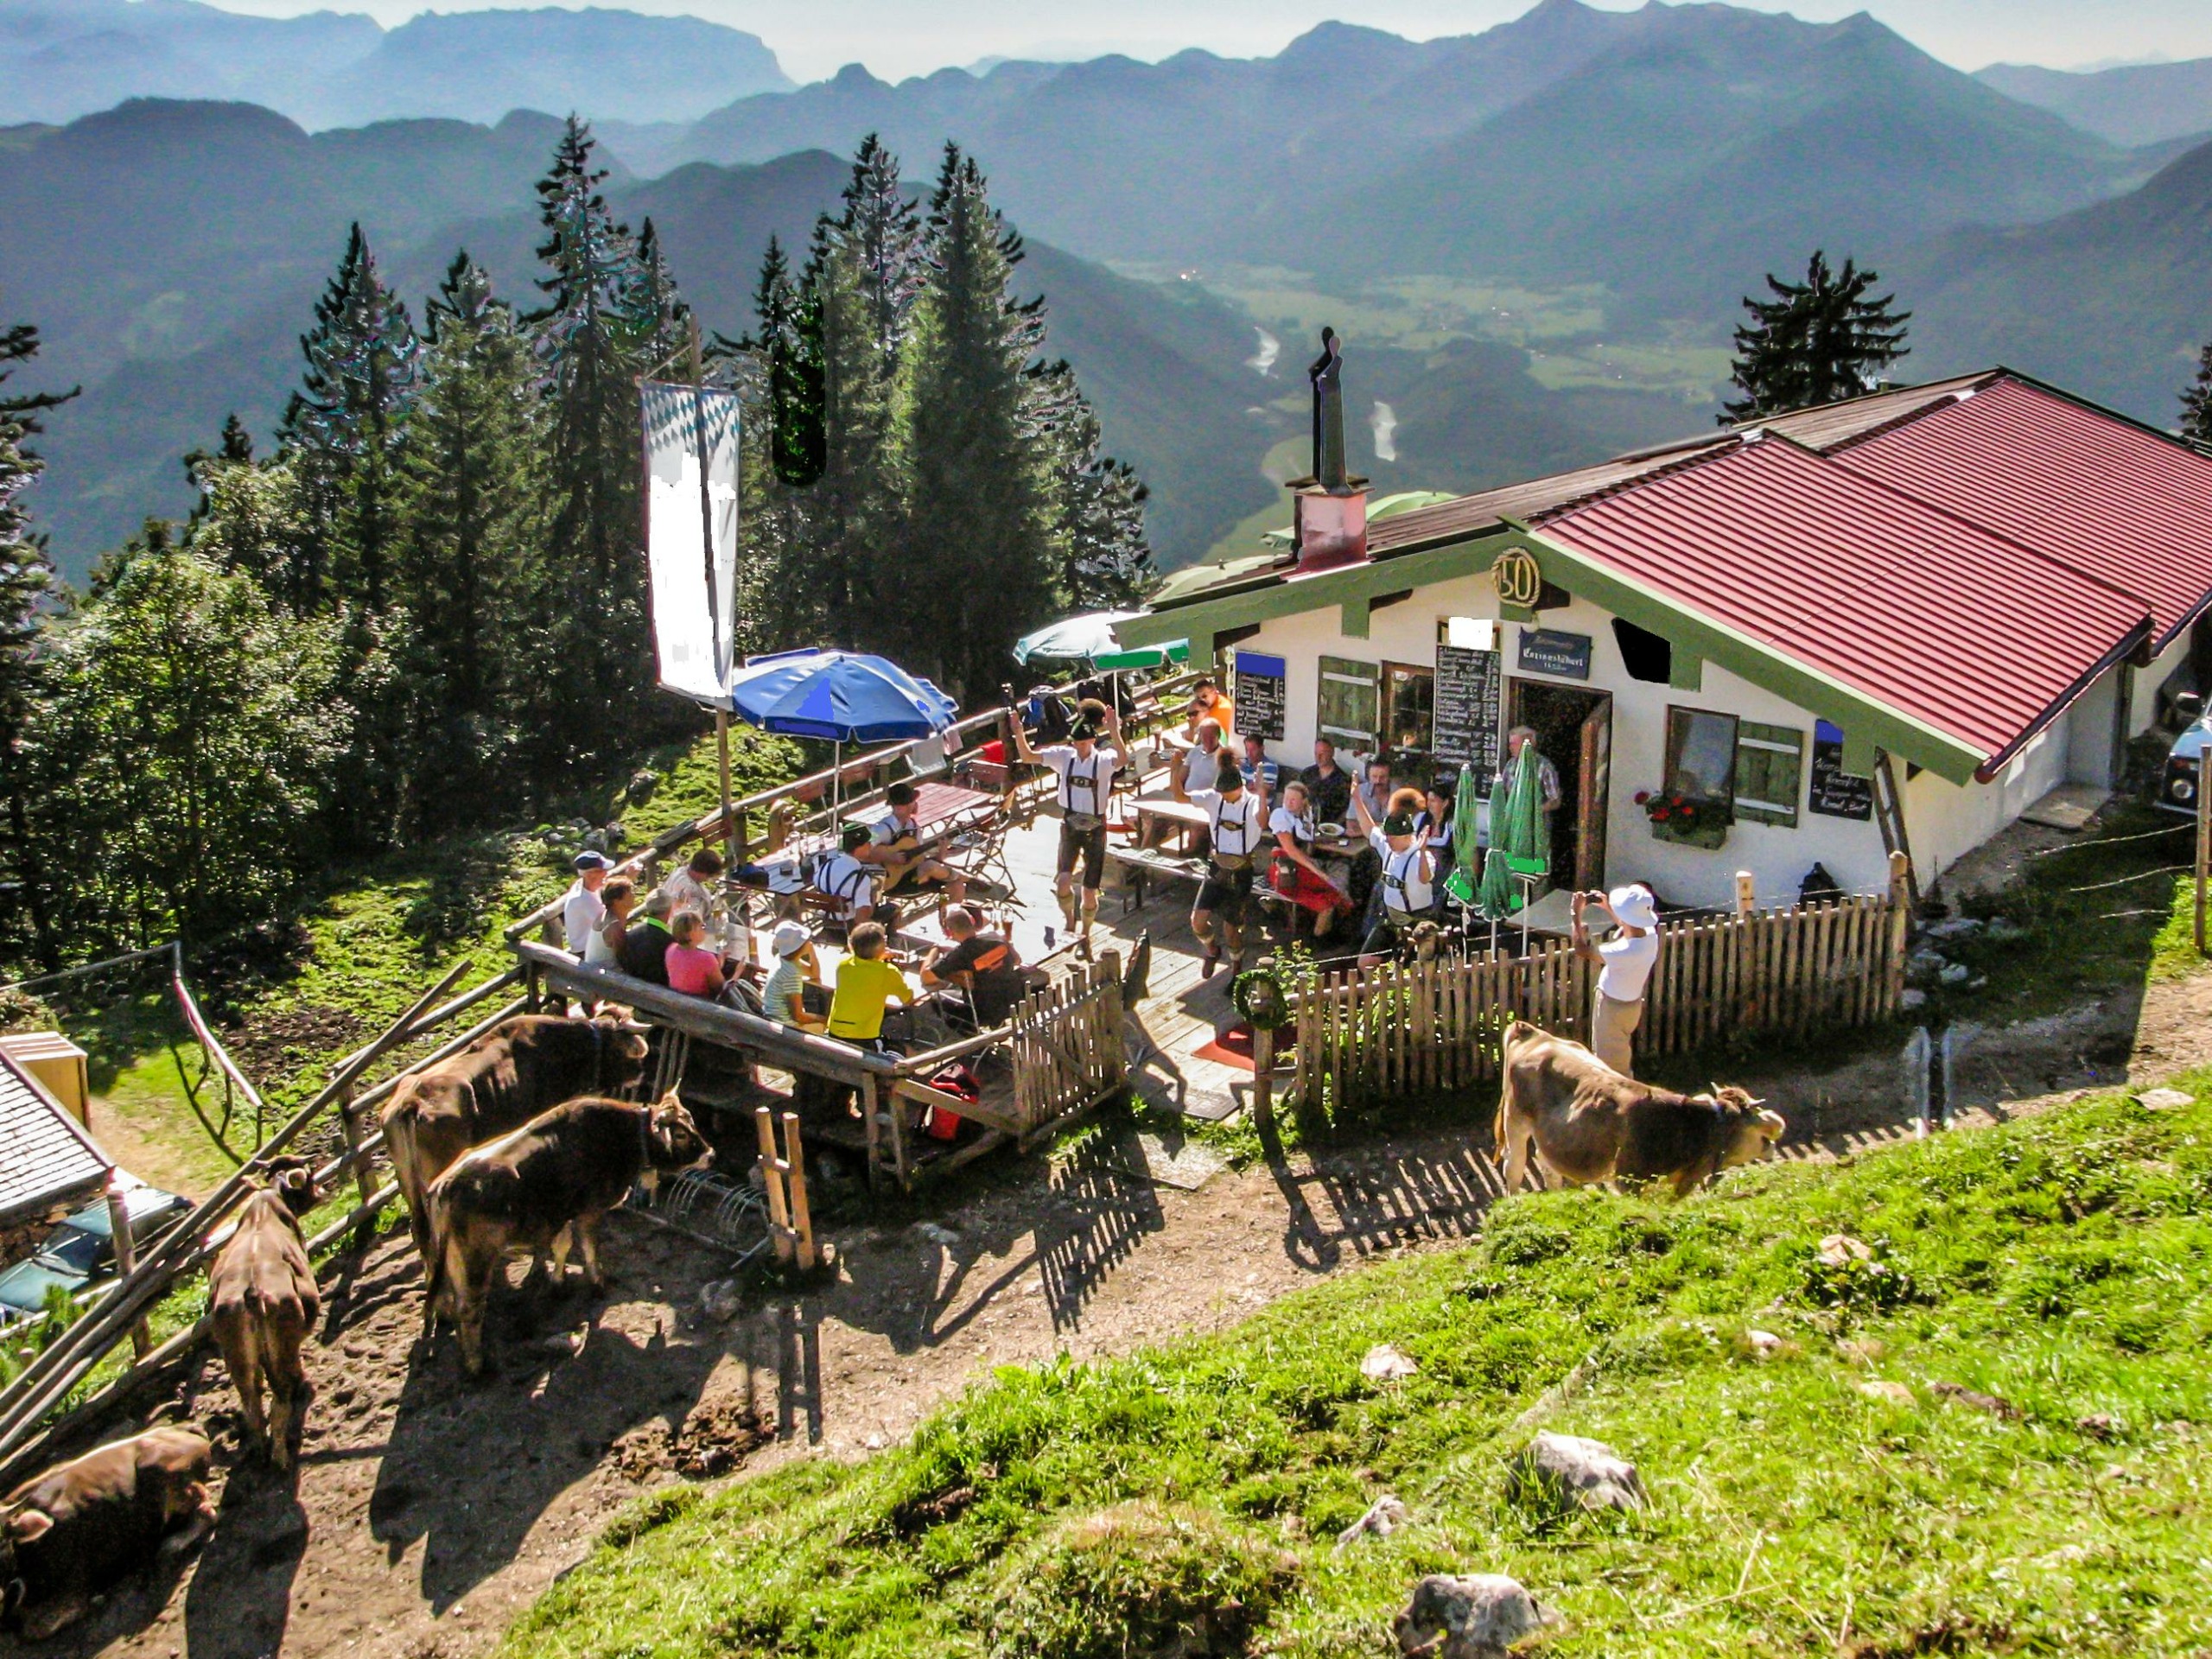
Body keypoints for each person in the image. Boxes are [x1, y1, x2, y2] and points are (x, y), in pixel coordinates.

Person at [1009, 695, 1124, 953]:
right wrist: (1018, 732)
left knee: (1089, 891)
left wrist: (1114, 731)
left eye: (1084, 742)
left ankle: (1085, 933)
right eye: (1076, 742)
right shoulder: (1064, 757)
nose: (1080, 747)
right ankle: (1070, 922)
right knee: (1062, 880)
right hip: (1070, 823)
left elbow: (1123, 760)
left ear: (1092, 741)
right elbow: (1028, 757)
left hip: (1096, 827)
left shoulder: (1103, 759)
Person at [1188, 757, 1266, 977]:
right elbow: (1179, 796)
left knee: (1231, 929)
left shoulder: (1251, 803)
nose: (1222, 795)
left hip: (1241, 871)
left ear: (1239, 787)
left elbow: (1263, 821)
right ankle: (1212, 951)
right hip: (1217, 867)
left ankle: (1236, 966)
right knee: (1197, 922)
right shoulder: (1215, 799)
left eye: (1227, 792)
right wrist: (1176, 769)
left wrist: (1262, 792)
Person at [1573, 884, 1660, 1077]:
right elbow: (1628, 926)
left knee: (1611, 1067)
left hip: (1612, 1009)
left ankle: (1620, 1101)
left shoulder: (1625, 951)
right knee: (1618, 1054)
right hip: (1631, 1005)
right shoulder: (1650, 937)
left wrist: (1575, 916)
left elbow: (1582, 950)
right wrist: (1608, 908)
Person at [1351, 785, 1435, 967]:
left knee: (1410, 969)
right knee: (1365, 963)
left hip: (1416, 921)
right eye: (1388, 837)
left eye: (1394, 838)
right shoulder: (1389, 847)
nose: (1389, 842)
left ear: (1407, 836)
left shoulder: (1420, 857)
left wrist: (1421, 852)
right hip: (1390, 918)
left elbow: (1425, 878)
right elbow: (1370, 830)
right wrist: (1357, 799)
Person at [1268, 779, 1351, 942]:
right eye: (1286, 798)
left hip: (1300, 868)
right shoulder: (1281, 816)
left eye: (1293, 800)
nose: (1288, 803)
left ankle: (1322, 936)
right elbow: (1290, 850)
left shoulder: (1303, 817)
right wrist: (1318, 872)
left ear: (1303, 802)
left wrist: (1332, 841)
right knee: (1331, 894)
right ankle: (1317, 941)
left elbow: (1308, 841)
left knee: (1337, 884)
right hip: (1285, 871)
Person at [861, 781, 969, 906]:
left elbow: (919, 860)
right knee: (931, 867)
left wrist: (942, 853)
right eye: (913, 801)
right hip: (890, 882)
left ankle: (950, 919)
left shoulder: (914, 828)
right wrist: (891, 857)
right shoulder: (883, 828)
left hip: (914, 877)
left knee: (956, 885)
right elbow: (863, 851)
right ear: (902, 806)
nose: (916, 804)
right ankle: (963, 877)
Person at [920, 906, 1024, 1027]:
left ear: (949, 932)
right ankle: (997, 1024)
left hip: (981, 1013)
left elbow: (926, 976)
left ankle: (966, 1034)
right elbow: (1017, 960)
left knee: (935, 997)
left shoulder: (958, 956)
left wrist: (935, 949)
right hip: (1011, 1002)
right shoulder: (997, 938)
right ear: (972, 921)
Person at [826, 921, 914, 1053]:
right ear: (882, 947)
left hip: (835, 1031)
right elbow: (908, 999)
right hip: (864, 1037)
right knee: (906, 1050)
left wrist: (878, 958)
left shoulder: (843, 965)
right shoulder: (888, 972)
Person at [814, 822, 891, 929]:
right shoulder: (861, 878)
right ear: (862, 847)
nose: (870, 846)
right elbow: (861, 920)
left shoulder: (826, 865)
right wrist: (872, 898)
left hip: (826, 920)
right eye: (868, 843)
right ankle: (888, 942)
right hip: (848, 927)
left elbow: (816, 882)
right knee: (893, 909)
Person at [762, 920, 826, 1032]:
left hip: (771, 1017)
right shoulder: (791, 974)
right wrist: (825, 1020)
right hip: (783, 1025)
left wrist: (812, 953)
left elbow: (814, 974)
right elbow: (798, 1016)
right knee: (822, 1027)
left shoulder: (782, 959)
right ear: (799, 946)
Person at [665, 908, 740, 999]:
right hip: (701, 1006)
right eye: (702, 927)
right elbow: (722, 990)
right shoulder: (706, 958)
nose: (704, 930)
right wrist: (737, 973)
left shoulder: (671, 950)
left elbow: (693, 972)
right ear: (691, 934)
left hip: (678, 1001)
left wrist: (718, 964)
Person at [1497, 726, 1563, 817]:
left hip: (1537, 824)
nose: (1510, 748)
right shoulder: (1510, 765)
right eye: (1510, 744)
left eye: (1514, 744)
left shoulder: (1544, 767)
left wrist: (1531, 812)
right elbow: (1501, 792)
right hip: (1512, 821)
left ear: (1528, 744)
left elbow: (1555, 801)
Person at [618, 888, 675, 985]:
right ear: (669, 910)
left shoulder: (630, 934)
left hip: (630, 988)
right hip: (659, 993)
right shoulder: (670, 942)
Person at [1414, 785, 1455, 918]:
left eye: (1433, 801)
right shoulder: (1421, 818)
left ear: (1445, 803)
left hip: (1441, 867)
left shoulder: (1451, 824)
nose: (1429, 804)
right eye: (1428, 800)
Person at [658, 846, 725, 925]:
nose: (707, 879)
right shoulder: (692, 891)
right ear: (703, 872)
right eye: (708, 876)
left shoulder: (681, 871)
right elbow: (690, 921)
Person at [563, 851, 610, 955]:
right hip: (587, 952)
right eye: (602, 870)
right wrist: (629, 879)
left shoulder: (583, 885)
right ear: (589, 875)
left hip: (593, 945)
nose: (607, 873)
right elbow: (609, 921)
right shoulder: (582, 900)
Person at [1297, 738, 1352, 828]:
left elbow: (1347, 810)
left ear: (1332, 753)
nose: (1318, 757)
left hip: (1329, 826)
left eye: (1322, 754)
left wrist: (1333, 828)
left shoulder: (1343, 780)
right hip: (1303, 823)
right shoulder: (1307, 774)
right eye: (1316, 753)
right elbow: (1295, 795)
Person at [586, 877, 635, 967]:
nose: (634, 896)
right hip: (602, 975)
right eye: (629, 893)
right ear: (616, 901)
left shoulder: (612, 916)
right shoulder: (613, 927)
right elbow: (623, 959)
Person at [1238, 734, 1281, 810]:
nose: (1249, 754)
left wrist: (1245, 787)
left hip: (1259, 807)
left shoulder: (1270, 766)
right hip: (1241, 804)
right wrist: (1248, 786)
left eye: (1253, 750)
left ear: (1262, 748)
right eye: (1247, 750)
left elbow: (1261, 792)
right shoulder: (1243, 763)